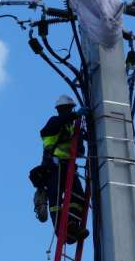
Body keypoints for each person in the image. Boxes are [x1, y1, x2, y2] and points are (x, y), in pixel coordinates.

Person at [37, 94, 89, 244]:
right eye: (68, 109)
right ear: (62, 110)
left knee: (78, 195)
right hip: (53, 167)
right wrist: (75, 116)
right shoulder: (54, 122)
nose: (69, 112)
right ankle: (61, 231)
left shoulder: (71, 128)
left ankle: (72, 225)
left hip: (68, 166)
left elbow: (79, 150)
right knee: (55, 200)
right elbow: (52, 127)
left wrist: (81, 137)